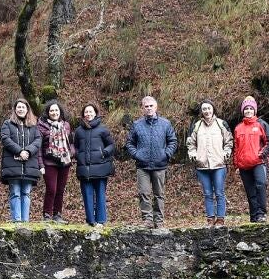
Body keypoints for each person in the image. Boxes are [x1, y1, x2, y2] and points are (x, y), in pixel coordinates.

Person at [126, 96, 177, 228]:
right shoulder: (137, 125)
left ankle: (159, 221)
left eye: (151, 106)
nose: (148, 108)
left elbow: (172, 141)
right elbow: (129, 143)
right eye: (146, 106)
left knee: (159, 194)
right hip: (142, 166)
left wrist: (166, 154)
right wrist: (137, 155)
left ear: (156, 107)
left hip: (160, 165)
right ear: (142, 108)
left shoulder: (165, 123)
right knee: (144, 193)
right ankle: (147, 220)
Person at [186, 99, 233, 227]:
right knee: (207, 193)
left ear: (213, 109)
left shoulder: (221, 124)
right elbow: (190, 143)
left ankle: (220, 219)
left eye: (209, 108)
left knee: (219, 192)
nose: (207, 111)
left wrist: (226, 153)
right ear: (201, 111)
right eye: (204, 109)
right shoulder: (196, 126)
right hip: (202, 166)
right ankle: (210, 219)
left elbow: (229, 141)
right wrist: (193, 154)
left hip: (219, 164)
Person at [233, 96, 269, 223]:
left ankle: (262, 214)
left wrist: (262, 154)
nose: (248, 111)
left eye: (251, 108)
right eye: (246, 109)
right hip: (243, 165)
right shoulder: (238, 128)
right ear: (243, 111)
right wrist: (236, 164)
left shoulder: (262, 124)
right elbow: (236, 147)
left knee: (260, 185)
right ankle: (254, 216)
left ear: (255, 110)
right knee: (250, 191)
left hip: (258, 162)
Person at [0, 98, 42, 222]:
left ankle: (25, 221)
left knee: (26, 193)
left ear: (27, 109)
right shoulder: (7, 124)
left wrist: (28, 151)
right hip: (12, 164)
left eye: (23, 107)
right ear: (15, 109)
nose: (21, 109)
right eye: (18, 107)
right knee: (15, 193)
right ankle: (17, 220)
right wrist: (19, 151)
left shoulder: (34, 126)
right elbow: (5, 139)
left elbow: (38, 140)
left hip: (29, 165)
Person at [74, 103, 115, 226]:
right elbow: (75, 146)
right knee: (87, 196)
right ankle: (90, 221)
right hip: (84, 168)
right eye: (86, 112)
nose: (88, 114)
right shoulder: (78, 131)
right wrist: (78, 155)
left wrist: (104, 152)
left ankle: (101, 221)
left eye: (90, 111)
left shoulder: (103, 129)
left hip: (101, 167)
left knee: (100, 195)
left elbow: (111, 145)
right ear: (83, 114)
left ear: (95, 113)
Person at [37, 99, 74, 224]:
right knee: (51, 189)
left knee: (60, 189)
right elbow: (39, 148)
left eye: (56, 110)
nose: (54, 112)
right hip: (49, 163)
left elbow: (71, 142)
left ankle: (57, 215)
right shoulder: (42, 126)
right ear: (48, 112)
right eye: (51, 110)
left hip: (64, 162)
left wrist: (71, 153)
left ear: (60, 111)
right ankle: (47, 214)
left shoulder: (66, 125)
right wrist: (40, 164)